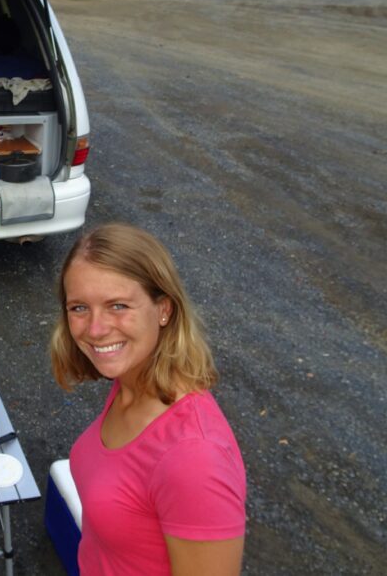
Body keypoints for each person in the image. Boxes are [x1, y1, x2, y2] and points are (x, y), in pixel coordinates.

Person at [50, 223, 246, 576]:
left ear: (164, 310)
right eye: (79, 307)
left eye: (118, 305)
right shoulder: (131, 382)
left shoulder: (194, 458)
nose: (95, 329)